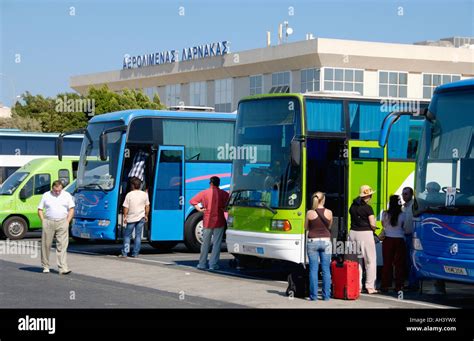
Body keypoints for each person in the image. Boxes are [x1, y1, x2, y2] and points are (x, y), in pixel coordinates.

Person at [190, 176, 230, 270]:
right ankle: (213, 265)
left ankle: (202, 264)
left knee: (205, 243)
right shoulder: (224, 194)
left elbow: (193, 201)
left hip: (207, 220)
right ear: (218, 183)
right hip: (219, 220)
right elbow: (226, 207)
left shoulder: (204, 193)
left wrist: (200, 209)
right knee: (217, 243)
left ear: (210, 183)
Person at [38, 180, 75, 275]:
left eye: (59, 190)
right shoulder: (46, 195)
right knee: (46, 245)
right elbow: (40, 209)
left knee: (62, 245)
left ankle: (63, 268)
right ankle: (45, 266)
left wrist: (67, 221)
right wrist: (43, 221)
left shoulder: (66, 195)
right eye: (55, 190)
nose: (58, 192)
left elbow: (71, 209)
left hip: (62, 221)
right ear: (52, 188)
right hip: (49, 221)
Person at [348, 185, 378, 294]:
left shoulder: (352, 206)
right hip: (365, 233)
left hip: (352, 233)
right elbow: (372, 224)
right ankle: (370, 286)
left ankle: (357, 285)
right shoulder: (368, 208)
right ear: (369, 196)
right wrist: (375, 228)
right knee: (370, 260)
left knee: (356, 261)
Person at [305, 192, 333, 301]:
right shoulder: (329, 212)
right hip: (326, 241)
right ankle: (326, 296)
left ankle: (314, 296)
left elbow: (306, 227)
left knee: (313, 269)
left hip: (312, 241)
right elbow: (329, 226)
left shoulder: (309, 213)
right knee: (326, 269)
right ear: (323, 200)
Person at [380, 195, 407, 292]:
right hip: (399, 240)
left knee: (387, 263)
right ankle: (399, 286)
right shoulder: (403, 215)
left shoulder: (385, 214)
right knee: (399, 264)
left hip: (388, 239)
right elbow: (404, 227)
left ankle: (385, 285)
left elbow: (383, 225)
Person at [119, 177, 150, 258]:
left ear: (132, 185)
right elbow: (147, 206)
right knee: (138, 236)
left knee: (127, 236)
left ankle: (125, 253)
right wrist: (146, 215)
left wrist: (125, 217)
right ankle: (135, 253)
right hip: (141, 217)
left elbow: (126, 207)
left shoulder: (129, 194)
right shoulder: (144, 194)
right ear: (140, 185)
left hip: (131, 218)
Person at [402, 187, 419, 291]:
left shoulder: (414, 205)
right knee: (408, 261)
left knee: (412, 261)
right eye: (403, 194)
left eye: (406, 194)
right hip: (406, 236)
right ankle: (411, 282)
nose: (404, 196)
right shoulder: (404, 207)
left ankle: (414, 284)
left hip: (412, 236)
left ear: (411, 194)